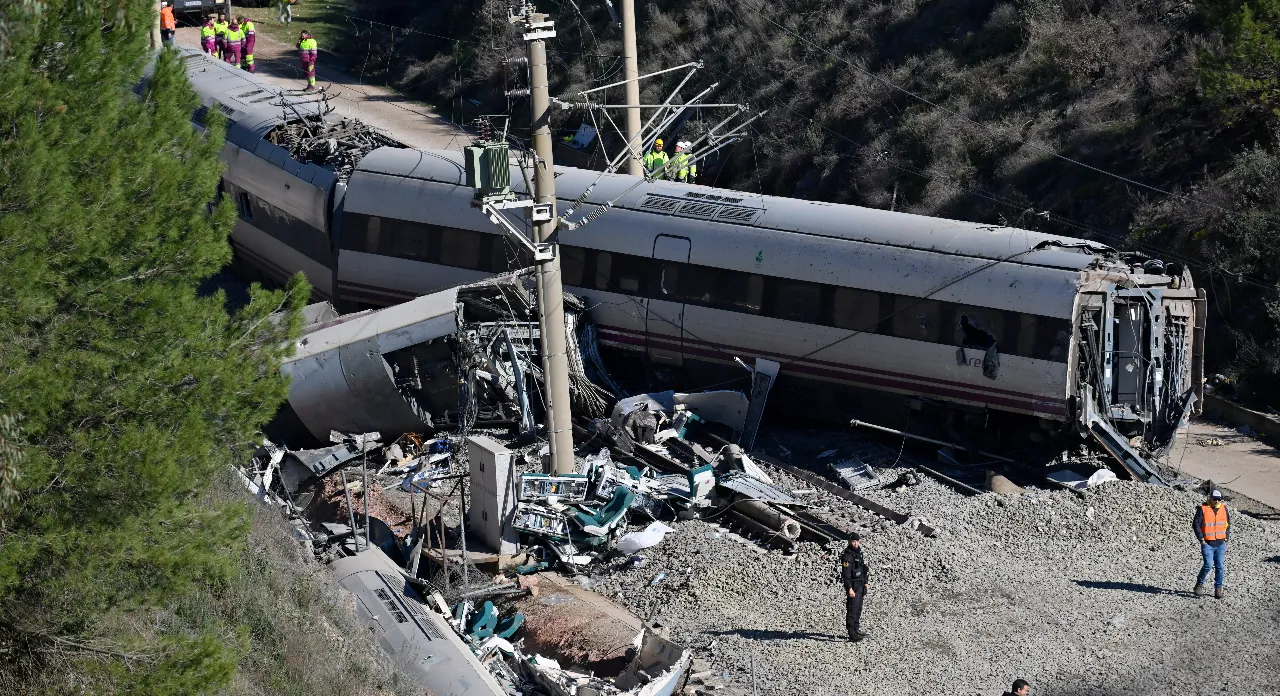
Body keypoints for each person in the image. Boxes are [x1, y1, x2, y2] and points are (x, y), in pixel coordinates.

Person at [1193, 489, 1230, 598]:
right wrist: (1202, 540)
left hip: (1220, 543)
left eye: (1219, 499)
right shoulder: (1203, 509)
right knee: (1208, 565)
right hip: (1208, 543)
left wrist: (1226, 538)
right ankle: (1199, 584)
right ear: (1210, 497)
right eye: (1215, 499)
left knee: (1220, 567)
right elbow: (1196, 525)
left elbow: (1227, 524)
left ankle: (1218, 589)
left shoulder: (1224, 509)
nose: (1217, 501)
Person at [839, 533, 869, 642]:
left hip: (860, 585)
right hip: (853, 587)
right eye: (853, 541)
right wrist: (849, 588)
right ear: (849, 542)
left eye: (856, 541)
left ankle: (856, 629)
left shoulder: (858, 553)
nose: (855, 543)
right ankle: (851, 633)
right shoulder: (847, 556)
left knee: (858, 609)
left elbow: (864, 569)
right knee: (852, 609)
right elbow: (846, 574)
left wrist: (866, 582)